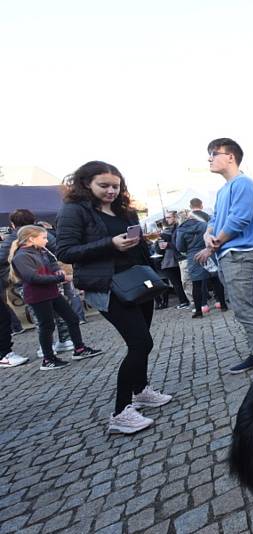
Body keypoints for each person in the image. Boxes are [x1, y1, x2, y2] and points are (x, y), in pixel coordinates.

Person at [57, 161, 172, 434]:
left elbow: (136, 244)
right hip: (107, 286)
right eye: (104, 185)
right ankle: (120, 413)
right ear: (86, 184)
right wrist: (110, 243)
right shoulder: (74, 211)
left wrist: (149, 261)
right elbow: (65, 251)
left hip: (138, 281)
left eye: (115, 186)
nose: (111, 191)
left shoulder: (125, 210)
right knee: (140, 343)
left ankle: (141, 390)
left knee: (142, 339)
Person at [194, 138, 253, 373]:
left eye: (214, 153)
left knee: (243, 308)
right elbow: (216, 219)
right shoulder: (222, 190)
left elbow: (240, 219)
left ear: (230, 157)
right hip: (229, 253)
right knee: (245, 307)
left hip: (238, 254)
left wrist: (214, 242)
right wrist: (208, 235)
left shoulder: (244, 183)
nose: (209, 158)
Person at [10, 225, 103, 370]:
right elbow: (33, 278)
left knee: (72, 318)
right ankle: (48, 359)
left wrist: (58, 271)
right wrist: (60, 278)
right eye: (44, 238)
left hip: (51, 292)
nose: (47, 241)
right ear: (31, 239)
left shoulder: (40, 250)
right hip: (38, 296)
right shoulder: (22, 256)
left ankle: (79, 349)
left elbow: (52, 262)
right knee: (46, 326)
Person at [175, 210, 227, 318]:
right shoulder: (205, 225)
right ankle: (223, 305)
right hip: (208, 253)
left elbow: (180, 247)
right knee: (216, 280)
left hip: (194, 257)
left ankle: (198, 311)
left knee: (197, 285)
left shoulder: (181, 229)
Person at [157, 212, 190, 309]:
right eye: (166, 218)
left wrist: (167, 244)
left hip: (175, 259)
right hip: (171, 260)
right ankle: (186, 301)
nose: (166, 220)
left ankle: (187, 301)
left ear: (175, 218)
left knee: (182, 282)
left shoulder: (178, 228)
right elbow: (159, 248)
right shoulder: (169, 230)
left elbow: (178, 244)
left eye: (168, 217)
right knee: (180, 282)